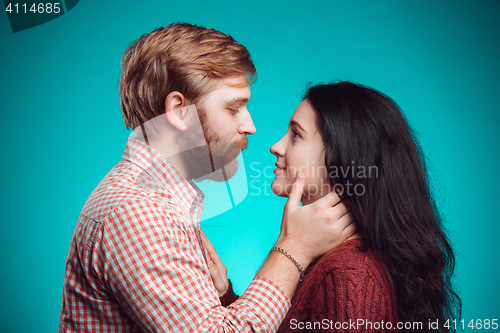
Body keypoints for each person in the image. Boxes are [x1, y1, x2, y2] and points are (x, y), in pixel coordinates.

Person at [58, 23, 356, 332]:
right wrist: (293, 249)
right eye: (234, 108)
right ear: (178, 111)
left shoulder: (155, 201)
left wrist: (224, 296)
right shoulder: (139, 213)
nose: (250, 126)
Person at [210, 81, 461, 332]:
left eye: (296, 134)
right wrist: (225, 297)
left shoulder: (347, 274)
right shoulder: (328, 259)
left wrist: (290, 247)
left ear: (342, 157)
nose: (276, 147)